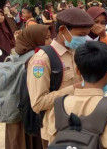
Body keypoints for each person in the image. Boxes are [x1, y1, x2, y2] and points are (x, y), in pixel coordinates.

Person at [27, 8, 94, 148]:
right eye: (81, 35)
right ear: (63, 30)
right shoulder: (42, 60)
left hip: (80, 123)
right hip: (57, 130)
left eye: (86, 35)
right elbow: (38, 103)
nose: (84, 39)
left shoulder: (77, 51)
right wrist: (73, 88)